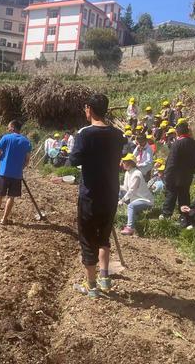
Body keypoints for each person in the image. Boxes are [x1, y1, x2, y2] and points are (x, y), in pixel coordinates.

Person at [69, 94, 126, 298]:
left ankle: (91, 285)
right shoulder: (118, 134)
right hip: (110, 194)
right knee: (104, 237)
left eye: (85, 108)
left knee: (88, 239)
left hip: (90, 195)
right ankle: (104, 278)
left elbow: (73, 160)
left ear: (90, 109)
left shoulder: (85, 134)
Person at [0, 120, 32, 225]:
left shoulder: (6, 138)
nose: (8, 128)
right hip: (17, 174)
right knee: (11, 197)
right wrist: (20, 168)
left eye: (9, 127)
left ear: (13, 127)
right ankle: (4, 219)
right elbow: (27, 160)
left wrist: (4, 157)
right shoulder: (26, 141)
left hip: (3, 172)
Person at [161, 122, 195, 219]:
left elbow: (171, 162)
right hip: (188, 175)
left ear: (177, 132)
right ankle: (184, 217)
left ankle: (166, 215)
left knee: (171, 195)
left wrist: (166, 175)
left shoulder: (177, 144)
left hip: (174, 176)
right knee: (184, 196)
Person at [119, 153, 154, 236]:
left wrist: (122, 200)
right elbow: (125, 187)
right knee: (118, 192)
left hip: (145, 200)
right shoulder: (128, 173)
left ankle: (130, 227)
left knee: (131, 206)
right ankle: (131, 218)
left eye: (125, 161)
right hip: (136, 198)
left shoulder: (136, 174)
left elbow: (131, 190)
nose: (123, 163)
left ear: (130, 163)